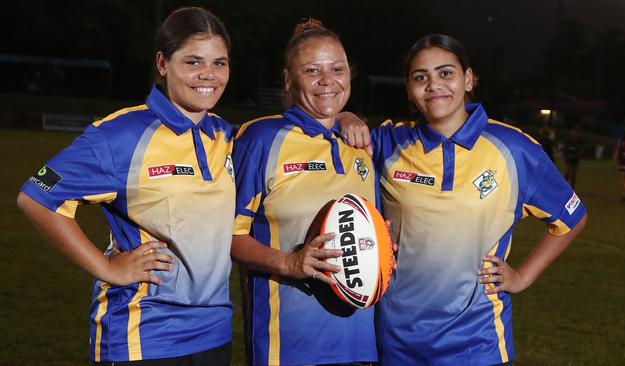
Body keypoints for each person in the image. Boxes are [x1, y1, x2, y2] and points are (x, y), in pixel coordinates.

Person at [342, 34, 587, 365]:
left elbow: (572, 219)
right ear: (410, 90)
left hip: (478, 340)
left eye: (446, 73)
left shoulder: (514, 149)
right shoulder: (388, 141)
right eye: (420, 77)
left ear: (468, 79)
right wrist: (345, 117)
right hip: (395, 337)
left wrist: (522, 276)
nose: (433, 85)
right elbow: (331, 142)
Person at [17, 7, 235, 365]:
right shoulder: (120, 134)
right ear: (163, 63)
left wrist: (348, 119)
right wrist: (107, 269)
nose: (208, 75)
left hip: (214, 332)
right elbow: (37, 194)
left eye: (219, 62)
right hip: (142, 334)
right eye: (193, 62)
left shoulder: (225, 136)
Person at [230, 19, 379, 365]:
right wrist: (289, 261)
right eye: (312, 70)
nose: (327, 80)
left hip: (361, 346)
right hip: (288, 347)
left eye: (337, 69)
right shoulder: (261, 139)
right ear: (288, 80)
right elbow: (226, 235)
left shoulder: (363, 145)